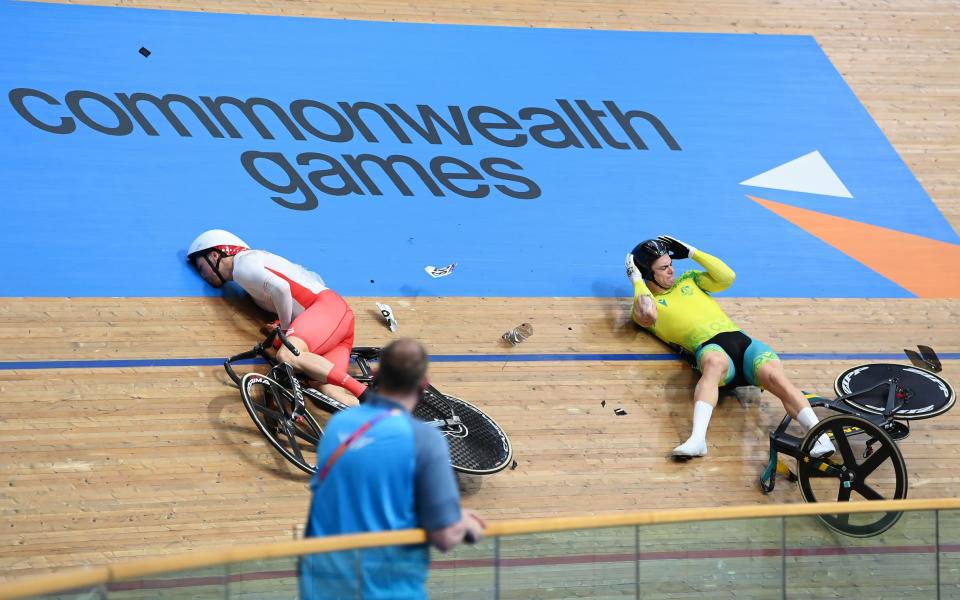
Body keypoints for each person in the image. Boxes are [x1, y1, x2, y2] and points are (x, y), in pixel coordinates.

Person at [298, 338, 486, 600]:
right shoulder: (425, 439)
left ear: (375, 375)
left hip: (322, 584)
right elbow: (444, 537)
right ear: (423, 385)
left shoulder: (340, 423)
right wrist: (462, 522)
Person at [625, 235, 835, 459]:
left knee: (775, 376)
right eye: (663, 268)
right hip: (711, 348)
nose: (671, 271)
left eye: (671, 264)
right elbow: (646, 314)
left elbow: (727, 277)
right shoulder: (647, 305)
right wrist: (637, 280)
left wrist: (692, 252)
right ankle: (697, 440)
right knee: (714, 363)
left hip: (743, 343)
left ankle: (820, 438)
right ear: (648, 273)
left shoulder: (689, 280)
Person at [187, 229, 366, 404]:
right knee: (329, 391)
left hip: (327, 310)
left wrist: (286, 331)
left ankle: (365, 393)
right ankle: (383, 414)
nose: (204, 276)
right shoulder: (252, 269)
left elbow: (281, 288)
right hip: (332, 326)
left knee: (288, 355)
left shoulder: (243, 264)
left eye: (202, 268)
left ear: (214, 256)